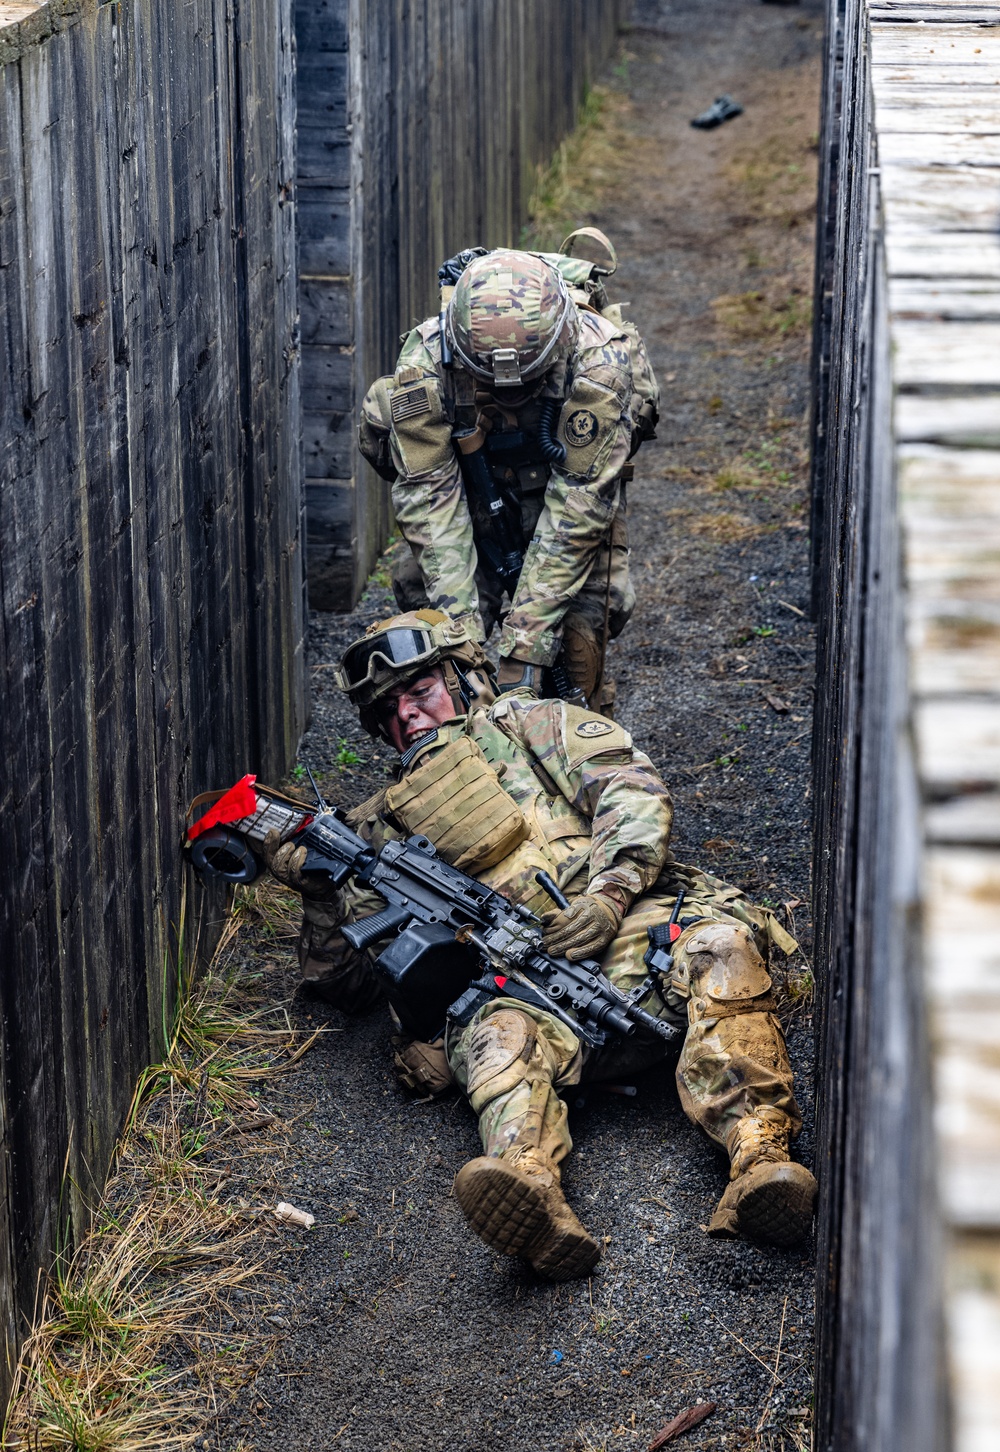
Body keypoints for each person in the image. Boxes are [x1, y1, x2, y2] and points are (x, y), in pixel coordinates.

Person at [265, 612, 817, 1281]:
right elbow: (347, 984)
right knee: (494, 1036)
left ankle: (759, 1159)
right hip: (525, 999)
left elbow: (631, 787)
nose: (406, 715)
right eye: (387, 710)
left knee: (723, 947)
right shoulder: (375, 830)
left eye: (420, 692)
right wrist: (317, 885)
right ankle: (532, 1193)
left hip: (631, 940)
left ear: (463, 678)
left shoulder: (528, 726)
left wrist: (609, 892)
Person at [357, 232, 659, 713]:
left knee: (581, 640)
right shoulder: (427, 362)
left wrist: (525, 645)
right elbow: (431, 506)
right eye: (491, 383)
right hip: (468, 492)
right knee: (432, 629)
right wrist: (464, 647)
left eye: (527, 382)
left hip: (565, 497)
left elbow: (580, 505)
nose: (509, 392)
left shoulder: (601, 362)